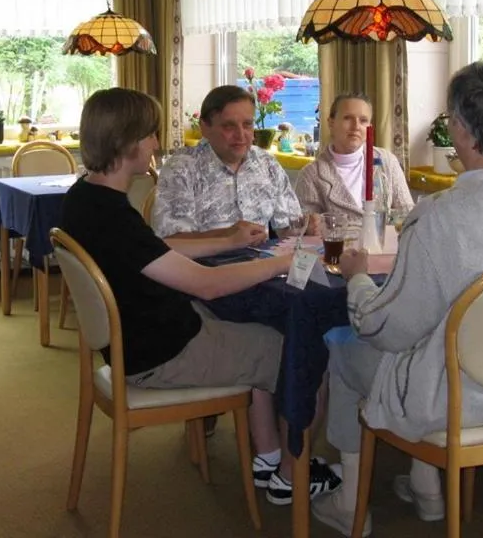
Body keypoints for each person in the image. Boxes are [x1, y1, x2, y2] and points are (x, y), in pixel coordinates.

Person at [308, 62, 483, 537]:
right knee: (430, 338)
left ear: (460, 128)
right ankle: (425, 483)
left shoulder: (440, 217)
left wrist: (356, 280)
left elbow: (387, 330)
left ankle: (351, 503)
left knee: (345, 346)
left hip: (454, 397)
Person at [60, 88, 341, 505]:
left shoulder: (87, 199)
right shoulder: (114, 217)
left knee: (255, 323)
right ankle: (290, 474)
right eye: (150, 134)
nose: (156, 143)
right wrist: (282, 263)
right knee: (301, 345)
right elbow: (207, 285)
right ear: (126, 142)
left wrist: (226, 239)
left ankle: (266, 457)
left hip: (140, 340)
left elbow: (161, 251)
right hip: (161, 355)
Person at [153, 85, 313, 241]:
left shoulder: (267, 163)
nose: (241, 135)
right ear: (204, 128)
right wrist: (227, 236)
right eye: (229, 126)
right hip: (203, 266)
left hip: (263, 264)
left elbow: (286, 230)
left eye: (247, 125)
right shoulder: (182, 168)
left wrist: (306, 226)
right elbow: (171, 242)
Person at [294, 92, 413, 228]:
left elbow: (409, 215)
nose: (356, 126)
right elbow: (303, 232)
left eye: (363, 120)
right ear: (331, 123)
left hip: (385, 248)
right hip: (337, 249)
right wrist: (309, 225)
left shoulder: (387, 161)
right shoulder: (311, 175)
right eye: (347, 118)